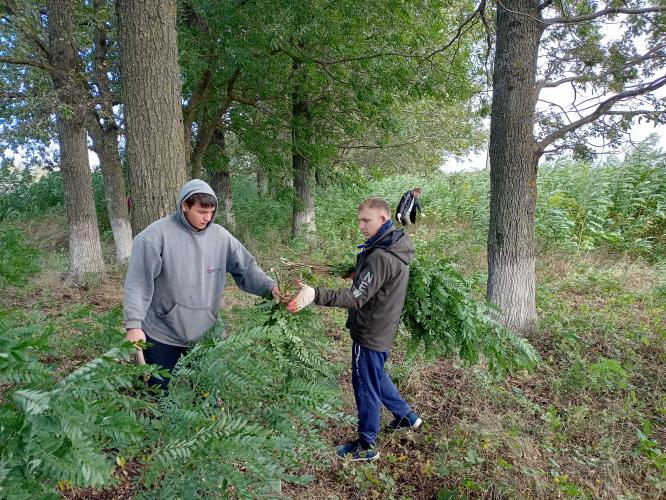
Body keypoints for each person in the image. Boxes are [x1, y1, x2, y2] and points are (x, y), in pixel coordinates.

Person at [287, 197, 422, 461]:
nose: (361, 226)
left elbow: (356, 299)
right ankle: (407, 417)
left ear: (383, 220)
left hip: (370, 332)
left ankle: (366, 445)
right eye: (360, 220)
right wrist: (359, 273)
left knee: (365, 386)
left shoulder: (381, 257)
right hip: (383, 327)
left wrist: (315, 294)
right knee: (376, 375)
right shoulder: (393, 246)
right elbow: (377, 283)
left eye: (366, 221)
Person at [123, 179, 282, 390]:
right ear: (184, 206)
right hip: (162, 332)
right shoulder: (155, 236)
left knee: (207, 397)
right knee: (158, 397)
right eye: (201, 212)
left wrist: (271, 288)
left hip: (205, 333)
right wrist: (133, 325)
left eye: (211, 211)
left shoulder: (221, 237)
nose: (207, 218)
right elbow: (138, 283)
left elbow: (247, 268)